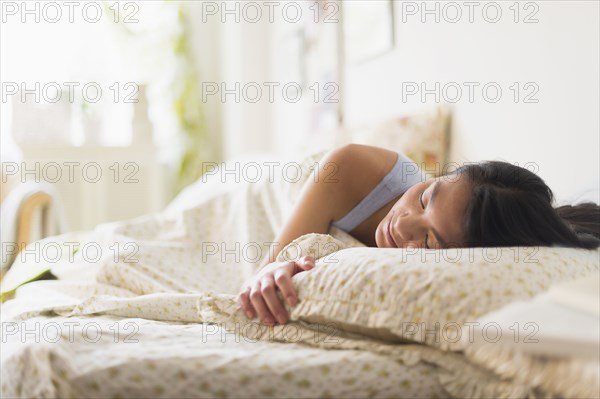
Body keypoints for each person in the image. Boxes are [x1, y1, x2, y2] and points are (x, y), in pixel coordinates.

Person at [237, 144, 600, 326]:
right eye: (426, 197)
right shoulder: (352, 167)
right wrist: (274, 268)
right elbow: (258, 282)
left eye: (428, 242)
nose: (403, 225)